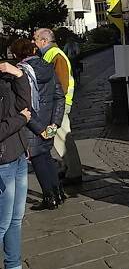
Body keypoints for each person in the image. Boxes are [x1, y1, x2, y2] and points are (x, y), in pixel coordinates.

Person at [11, 38, 66, 210]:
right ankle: (58, 193)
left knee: (38, 160)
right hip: (49, 122)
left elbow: (23, 105)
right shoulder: (48, 67)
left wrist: (39, 129)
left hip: (32, 125)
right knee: (46, 157)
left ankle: (50, 198)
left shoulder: (19, 73)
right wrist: (54, 123)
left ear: (16, 54)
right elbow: (59, 96)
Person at [32, 28, 82, 185]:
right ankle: (68, 167)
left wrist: (56, 105)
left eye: (35, 38)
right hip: (57, 105)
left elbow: (61, 83)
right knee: (59, 138)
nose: (33, 41)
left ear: (44, 41)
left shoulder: (55, 55)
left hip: (58, 106)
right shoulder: (52, 53)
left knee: (63, 137)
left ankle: (74, 173)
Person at [0, 61, 31, 269]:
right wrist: (21, 120)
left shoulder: (4, 77)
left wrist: (19, 74)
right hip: (3, 162)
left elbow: (25, 103)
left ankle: (14, 265)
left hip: (18, 155)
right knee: (2, 223)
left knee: (16, 219)